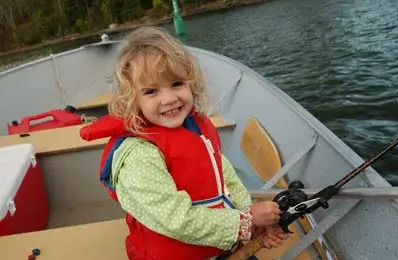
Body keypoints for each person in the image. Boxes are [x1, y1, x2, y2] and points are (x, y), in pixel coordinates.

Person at [80, 26, 288, 260]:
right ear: (132, 100)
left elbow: (226, 177)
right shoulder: (138, 155)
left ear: (191, 84)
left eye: (177, 84)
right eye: (151, 91)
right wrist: (246, 220)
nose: (169, 99)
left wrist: (254, 224)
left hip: (225, 243)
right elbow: (176, 220)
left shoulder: (195, 129)